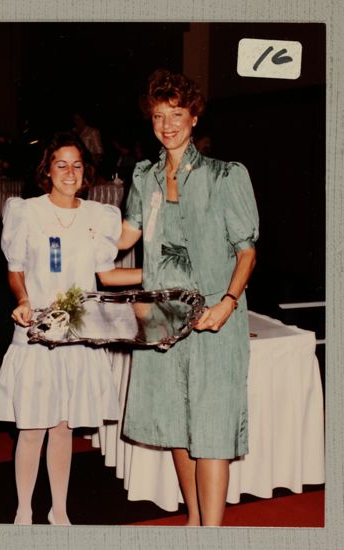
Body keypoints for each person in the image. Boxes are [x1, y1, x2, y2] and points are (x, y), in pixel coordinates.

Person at [118, 69, 259, 526]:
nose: (167, 124)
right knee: (176, 425)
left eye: (176, 113)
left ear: (194, 116)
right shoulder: (145, 175)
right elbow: (125, 238)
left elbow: (247, 252)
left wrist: (228, 304)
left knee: (213, 426)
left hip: (216, 316)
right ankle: (195, 524)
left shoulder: (226, 175)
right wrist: (71, 221)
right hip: (163, 315)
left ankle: (212, 533)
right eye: (159, 115)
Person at [0, 131, 141, 525]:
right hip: (38, 331)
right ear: (47, 170)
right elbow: (15, 271)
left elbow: (107, 274)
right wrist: (23, 300)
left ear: (85, 171)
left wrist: (159, 271)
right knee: (32, 427)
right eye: (61, 164)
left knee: (62, 427)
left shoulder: (98, 216)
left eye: (77, 164)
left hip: (79, 335)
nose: (69, 172)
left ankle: (60, 510)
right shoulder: (26, 211)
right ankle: (24, 510)